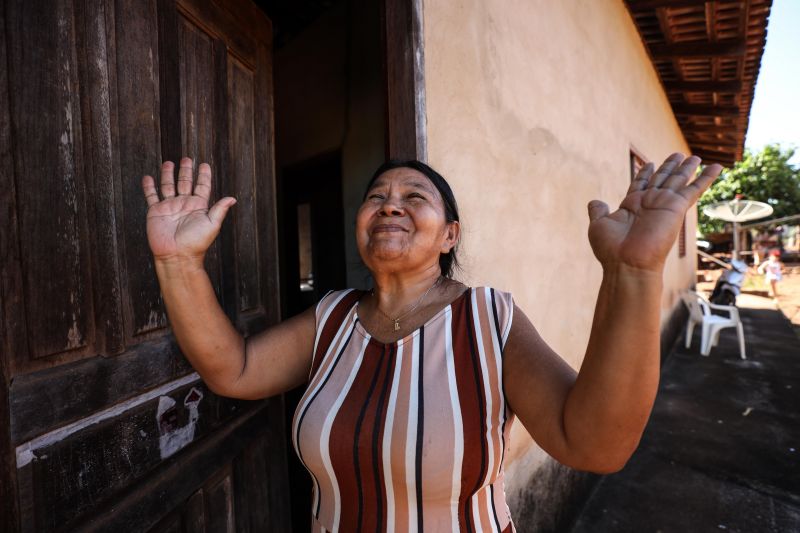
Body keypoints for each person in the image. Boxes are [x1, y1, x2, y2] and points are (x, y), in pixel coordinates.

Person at [141, 153, 720, 532]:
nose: (390, 202)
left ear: (449, 235)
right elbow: (233, 371)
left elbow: (594, 446)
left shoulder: (489, 319)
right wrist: (178, 262)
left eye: (414, 196)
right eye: (376, 196)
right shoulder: (331, 318)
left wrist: (634, 273)